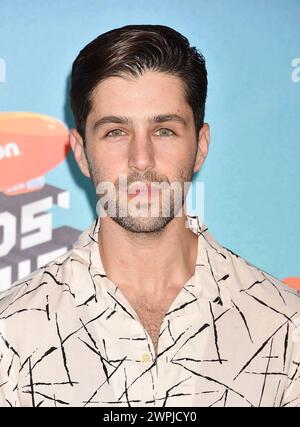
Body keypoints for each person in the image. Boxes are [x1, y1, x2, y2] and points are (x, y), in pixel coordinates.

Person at [0, 24, 299, 408]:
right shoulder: (10, 335)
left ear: (201, 146)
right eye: (115, 132)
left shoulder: (286, 328)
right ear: (80, 152)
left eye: (164, 131)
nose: (141, 159)